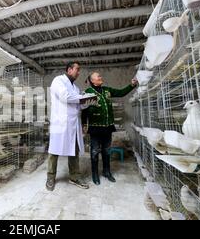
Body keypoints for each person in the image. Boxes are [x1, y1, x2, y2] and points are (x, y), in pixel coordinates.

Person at [82, 71, 137, 185]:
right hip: (95, 128)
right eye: (98, 76)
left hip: (108, 127)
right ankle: (95, 175)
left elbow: (121, 93)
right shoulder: (88, 93)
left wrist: (132, 85)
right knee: (94, 152)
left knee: (106, 151)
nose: (101, 77)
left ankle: (107, 172)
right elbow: (84, 109)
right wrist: (84, 124)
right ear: (92, 81)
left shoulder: (107, 90)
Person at [46, 62, 94, 191]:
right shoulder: (58, 81)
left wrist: (88, 101)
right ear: (69, 69)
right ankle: (50, 177)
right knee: (54, 151)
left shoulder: (76, 88)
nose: (79, 73)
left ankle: (74, 177)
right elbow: (65, 97)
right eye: (77, 70)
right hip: (60, 123)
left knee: (74, 150)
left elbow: (79, 105)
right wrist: (82, 98)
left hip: (73, 124)